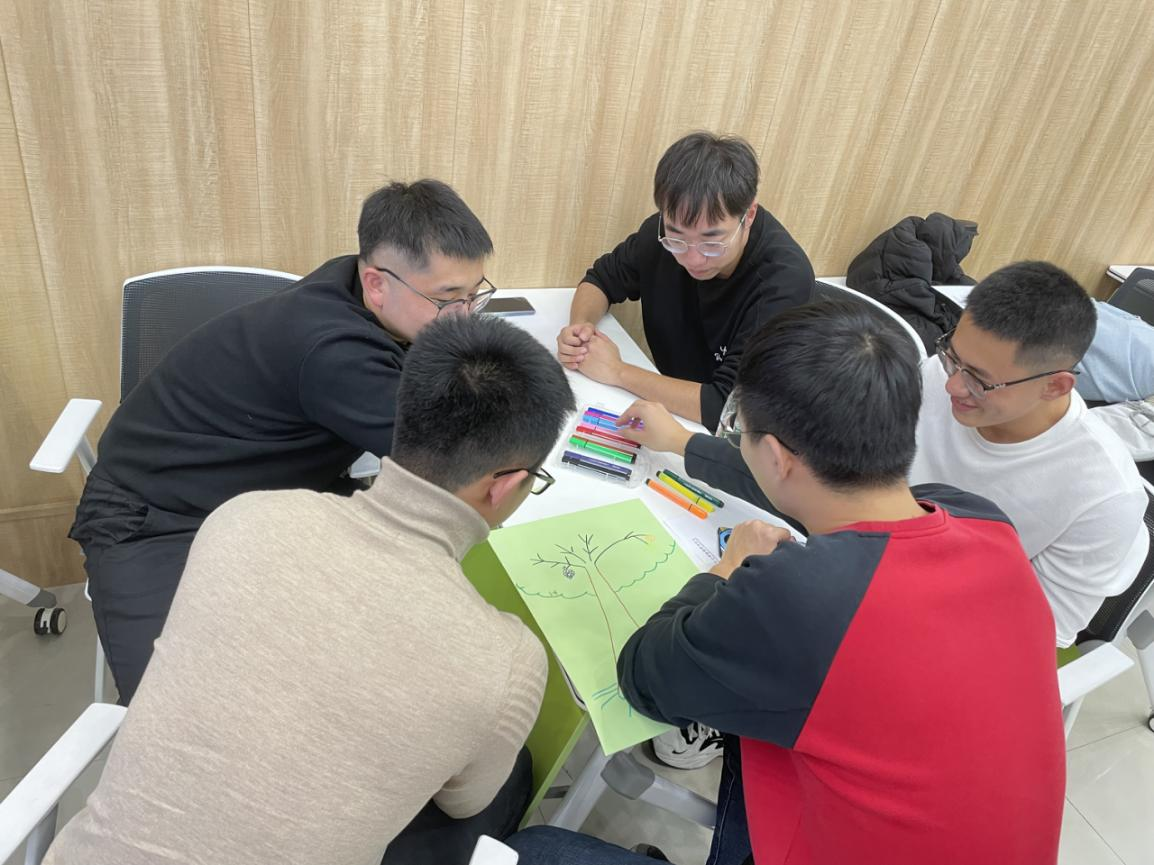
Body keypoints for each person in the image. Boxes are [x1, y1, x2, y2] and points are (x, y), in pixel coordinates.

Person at [509, 301, 1066, 865]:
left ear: (775, 456)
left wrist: (726, 568)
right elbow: (814, 494)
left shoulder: (803, 597)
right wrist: (681, 442)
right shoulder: (978, 518)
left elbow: (642, 678)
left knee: (532, 851)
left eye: (740, 431)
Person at [45, 314, 576, 865]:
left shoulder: (245, 518)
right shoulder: (508, 661)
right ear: (507, 485)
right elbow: (465, 803)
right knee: (510, 775)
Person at [69, 179, 498, 703]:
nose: (465, 315)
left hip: (268, 493)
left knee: (383, 642)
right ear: (377, 283)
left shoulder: (351, 283)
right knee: (178, 705)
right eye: (448, 299)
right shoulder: (335, 353)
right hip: (154, 515)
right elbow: (457, 462)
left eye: (475, 294)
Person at [622, 262, 1149, 650]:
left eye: (981, 381)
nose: (953, 386)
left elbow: (1034, 637)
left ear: (1056, 385)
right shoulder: (936, 378)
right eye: (953, 357)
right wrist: (679, 442)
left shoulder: (1103, 495)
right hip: (845, 562)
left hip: (917, 630)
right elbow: (824, 479)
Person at [556, 131, 814, 430]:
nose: (692, 259)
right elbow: (600, 279)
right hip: (670, 414)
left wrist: (617, 371)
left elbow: (726, 407)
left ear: (749, 215)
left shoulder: (782, 282)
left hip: (735, 437)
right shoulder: (661, 235)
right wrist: (580, 331)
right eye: (677, 238)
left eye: (712, 243)